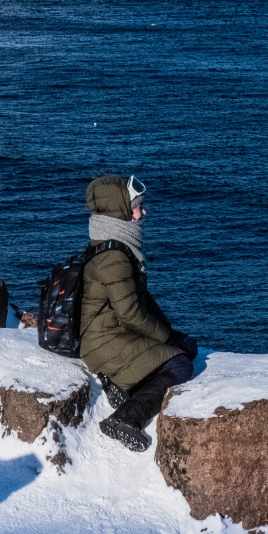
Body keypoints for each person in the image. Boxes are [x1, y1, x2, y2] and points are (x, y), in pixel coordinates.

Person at [77, 174, 197, 453]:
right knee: (181, 365)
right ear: (120, 212)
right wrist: (165, 337)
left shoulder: (114, 244)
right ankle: (125, 419)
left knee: (186, 345)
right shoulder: (114, 257)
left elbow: (139, 299)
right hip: (103, 341)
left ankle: (121, 385)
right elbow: (131, 313)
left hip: (112, 331)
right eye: (137, 207)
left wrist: (168, 334)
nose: (143, 212)